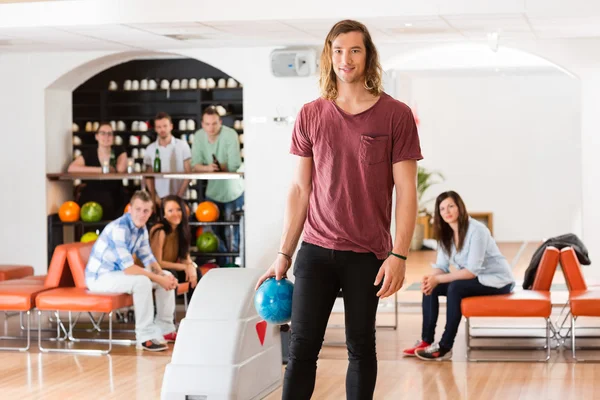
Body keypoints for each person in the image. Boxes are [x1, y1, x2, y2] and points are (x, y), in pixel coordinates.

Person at [254, 20, 422, 400]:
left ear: (369, 56)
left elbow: (407, 191)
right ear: (329, 56)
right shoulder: (311, 113)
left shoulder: (396, 115)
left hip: (367, 254)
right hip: (315, 251)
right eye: (338, 50)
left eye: (355, 50)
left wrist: (399, 255)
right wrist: (284, 253)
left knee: (361, 349)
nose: (345, 59)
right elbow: (300, 189)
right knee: (301, 351)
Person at [403, 191, 515, 361]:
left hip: (496, 280)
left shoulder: (477, 230)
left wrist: (438, 279)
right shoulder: (445, 234)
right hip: (473, 278)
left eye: (451, 206)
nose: (447, 211)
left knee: (455, 288)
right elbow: (441, 266)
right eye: (442, 209)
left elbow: (471, 271)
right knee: (430, 287)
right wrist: (430, 279)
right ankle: (426, 341)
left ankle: (445, 347)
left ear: (460, 207)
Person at [85, 190, 179, 352]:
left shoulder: (140, 229)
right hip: (100, 278)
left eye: (146, 211)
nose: (141, 214)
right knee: (141, 281)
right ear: (130, 209)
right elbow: (129, 269)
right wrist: (158, 279)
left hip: (118, 275)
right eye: (138, 209)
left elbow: (149, 259)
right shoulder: (120, 228)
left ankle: (165, 328)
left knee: (168, 274)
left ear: (150, 212)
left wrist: (163, 276)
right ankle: (145, 337)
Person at [191, 106, 244, 256]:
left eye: (214, 123)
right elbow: (195, 165)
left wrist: (218, 167)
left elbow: (234, 165)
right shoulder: (199, 136)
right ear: (202, 124)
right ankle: (221, 267)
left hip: (233, 192)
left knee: (232, 233)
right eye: (207, 124)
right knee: (214, 233)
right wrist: (209, 168)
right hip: (213, 192)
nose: (211, 127)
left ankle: (232, 266)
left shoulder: (230, 134)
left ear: (220, 122)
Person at [68, 122, 127, 220]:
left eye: (109, 134)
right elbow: (71, 168)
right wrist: (100, 170)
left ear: (113, 137)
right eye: (103, 133)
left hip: (115, 192)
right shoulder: (89, 152)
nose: (106, 137)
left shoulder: (118, 150)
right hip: (93, 192)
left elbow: (121, 169)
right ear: (97, 136)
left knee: (116, 199)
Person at [140, 194, 198, 290]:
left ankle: (195, 305)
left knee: (196, 273)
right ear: (164, 214)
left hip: (169, 268)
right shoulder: (160, 231)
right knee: (172, 275)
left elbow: (185, 257)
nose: (175, 214)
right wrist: (185, 267)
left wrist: (191, 267)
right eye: (170, 211)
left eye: (178, 210)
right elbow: (157, 263)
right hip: (153, 269)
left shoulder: (182, 230)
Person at [144, 112, 192, 208]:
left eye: (165, 126)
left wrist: (178, 196)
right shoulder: (150, 149)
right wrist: (154, 197)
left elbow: (189, 172)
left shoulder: (182, 145)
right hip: (159, 199)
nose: (162, 129)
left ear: (171, 126)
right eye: (159, 127)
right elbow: (148, 176)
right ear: (155, 128)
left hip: (180, 197)